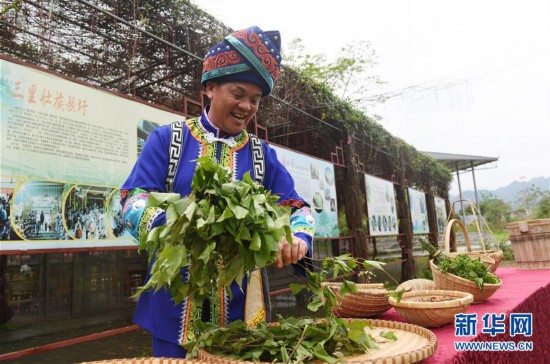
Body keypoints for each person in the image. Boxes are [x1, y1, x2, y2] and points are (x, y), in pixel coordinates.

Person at [121, 26, 316, 358]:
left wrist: (298, 238)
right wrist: (179, 225)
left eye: (255, 100)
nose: (247, 106)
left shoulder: (260, 155)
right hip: (174, 309)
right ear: (209, 88)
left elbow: (298, 208)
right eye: (238, 94)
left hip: (243, 314)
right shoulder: (169, 140)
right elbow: (131, 200)